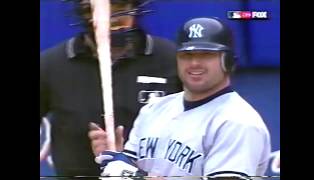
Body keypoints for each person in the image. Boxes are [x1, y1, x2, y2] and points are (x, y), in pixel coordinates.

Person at [90, 17, 271, 179]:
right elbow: (132, 168)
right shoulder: (154, 109)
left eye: (206, 55)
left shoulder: (237, 123)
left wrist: (136, 177)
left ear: (228, 62)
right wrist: (118, 159)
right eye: (187, 55)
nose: (194, 63)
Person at [40, 0, 182, 178]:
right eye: (95, 8)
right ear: (83, 13)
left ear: (134, 8)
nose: (111, 17)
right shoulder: (50, 65)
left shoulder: (170, 58)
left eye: (119, 6)